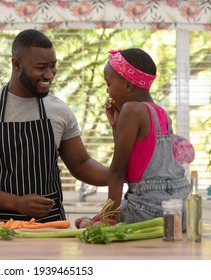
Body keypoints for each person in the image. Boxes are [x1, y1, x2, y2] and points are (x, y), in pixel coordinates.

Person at [0, 29, 108, 223]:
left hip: (52, 229)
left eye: (53, 66)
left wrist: (120, 175)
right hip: (0, 231)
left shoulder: (59, 111)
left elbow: (81, 164)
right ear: (16, 64)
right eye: (41, 67)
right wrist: (16, 202)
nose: (50, 74)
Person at [76, 48, 190, 227]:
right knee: (91, 220)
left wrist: (109, 218)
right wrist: (116, 126)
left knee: (89, 223)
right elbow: (136, 165)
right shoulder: (161, 114)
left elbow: (118, 171)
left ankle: (108, 219)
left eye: (108, 84)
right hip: (179, 207)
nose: (107, 91)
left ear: (128, 86)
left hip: (149, 206)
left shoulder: (131, 109)